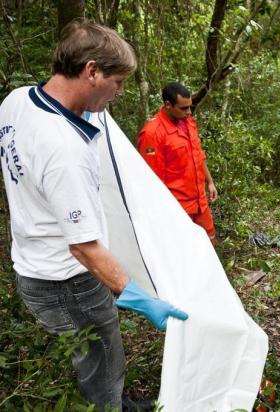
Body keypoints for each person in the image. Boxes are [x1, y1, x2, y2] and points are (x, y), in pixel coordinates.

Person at [0, 20, 188, 410]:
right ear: (91, 71)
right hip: (67, 282)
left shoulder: (16, 100)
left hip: (32, 264)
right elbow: (84, 247)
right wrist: (135, 295)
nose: (119, 92)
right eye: (117, 82)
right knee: (102, 359)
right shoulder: (64, 150)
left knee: (90, 355)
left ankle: (114, 403)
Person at [137, 82, 218, 245]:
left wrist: (210, 182)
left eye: (190, 107)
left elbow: (198, 155)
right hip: (177, 207)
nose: (188, 112)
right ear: (168, 105)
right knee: (184, 251)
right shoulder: (152, 133)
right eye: (183, 108)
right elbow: (152, 180)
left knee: (209, 244)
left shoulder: (188, 122)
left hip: (200, 202)